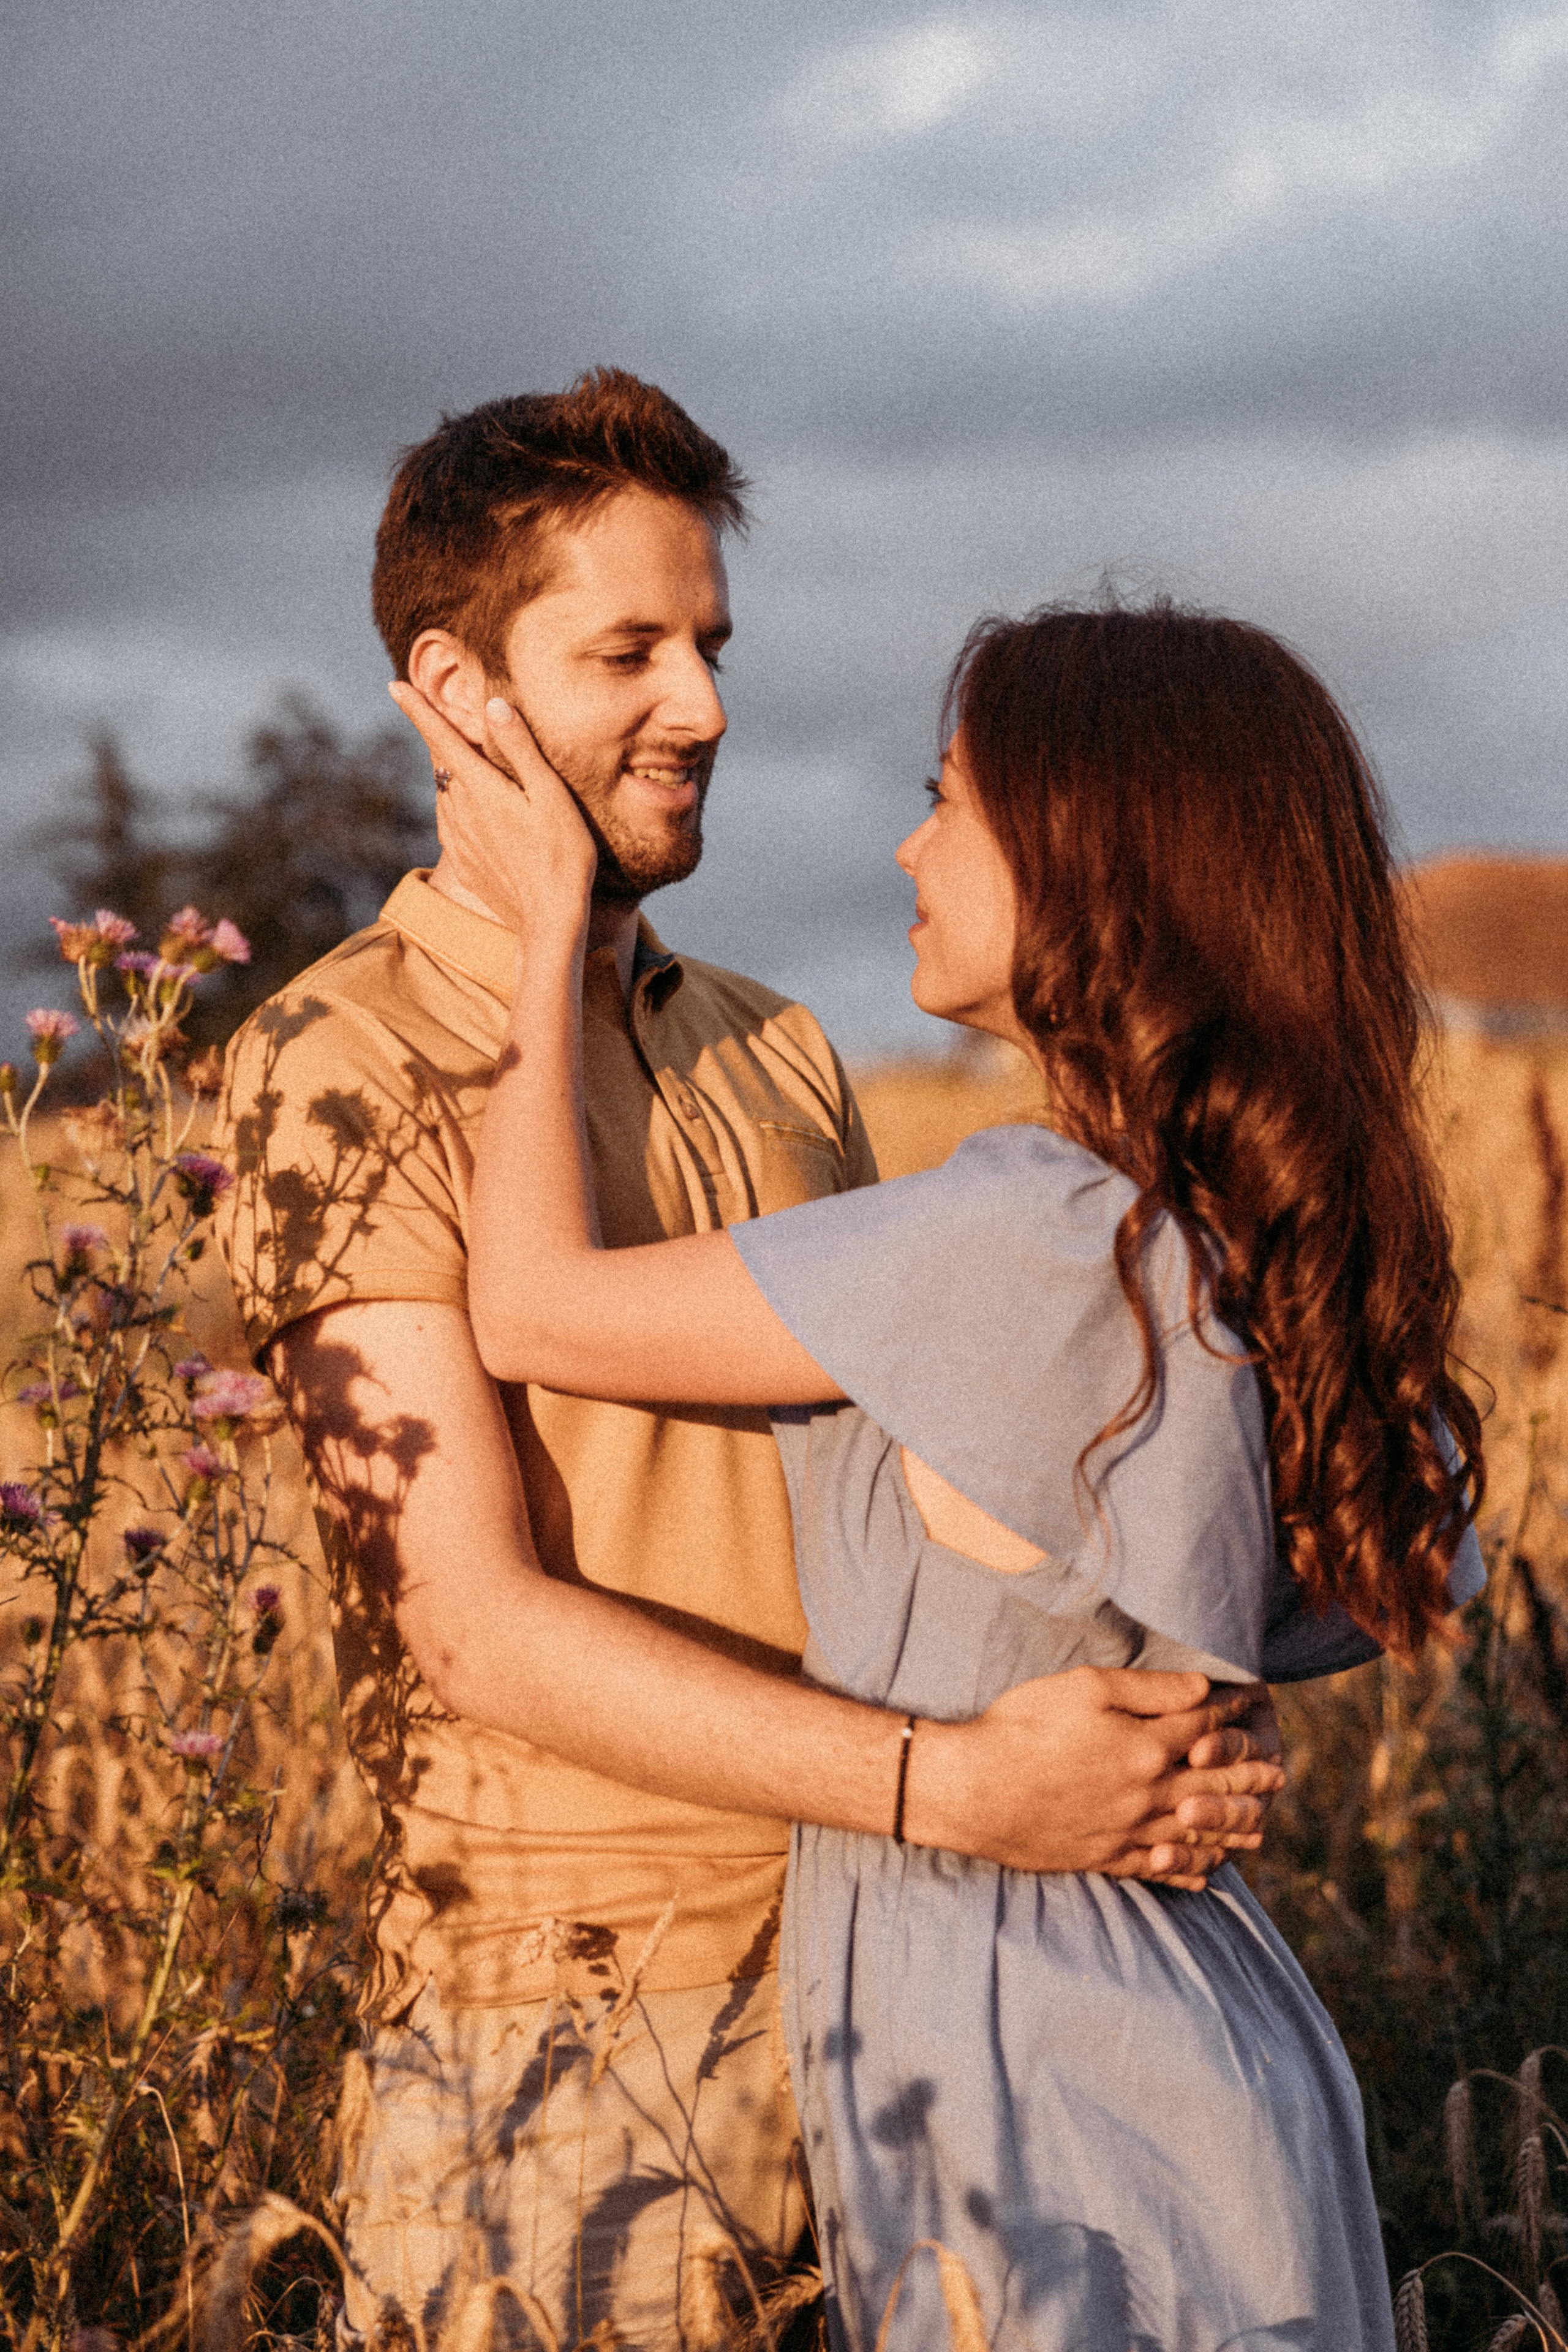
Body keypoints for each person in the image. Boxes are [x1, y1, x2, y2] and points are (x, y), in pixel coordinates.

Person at [216, 376, 1284, 2347]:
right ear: (455, 692)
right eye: (627, 652)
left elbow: (935, 1506)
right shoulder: (335, 1059)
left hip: (900, 1997)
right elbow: (471, 1626)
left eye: (710, 645)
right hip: (569, 2036)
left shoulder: (776, 1044)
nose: (701, 706)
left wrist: (1159, 1719)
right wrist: (959, 1789)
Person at [390, 598, 1487, 2349]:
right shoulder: (1206, 1232)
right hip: (1166, 2024)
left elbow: (531, 1309)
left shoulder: (1031, 1233)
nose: (907, 846)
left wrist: (539, 932)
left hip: (1032, 2067)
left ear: (1088, 862)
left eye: (946, 800)